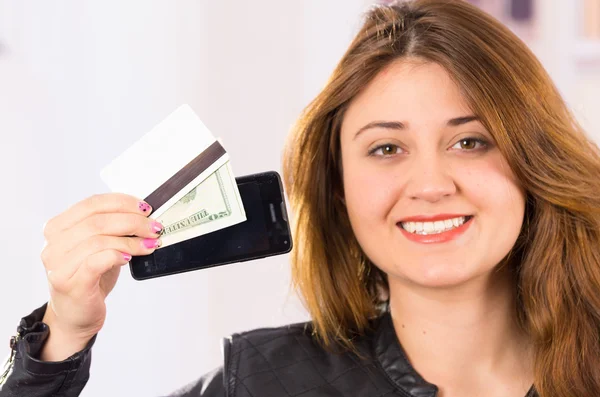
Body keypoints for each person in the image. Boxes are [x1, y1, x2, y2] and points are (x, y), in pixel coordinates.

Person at [2, 0, 600, 396]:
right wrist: (61, 338)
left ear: (533, 163)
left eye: (470, 141)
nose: (430, 184)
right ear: (337, 190)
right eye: (387, 149)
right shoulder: (262, 383)